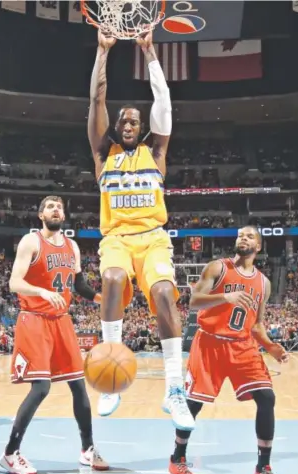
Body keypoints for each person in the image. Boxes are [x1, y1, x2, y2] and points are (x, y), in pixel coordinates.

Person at [87, 29, 194, 431]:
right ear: (116, 127)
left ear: (142, 126)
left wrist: (149, 51)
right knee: (113, 277)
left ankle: (173, 389)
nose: (129, 122)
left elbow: (163, 100)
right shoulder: (104, 154)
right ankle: (112, 373)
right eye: (123, 119)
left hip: (153, 239)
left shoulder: (157, 151)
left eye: (135, 119)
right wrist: (102, 52)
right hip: (115, 238)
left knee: (165, 293)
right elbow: (97, 98)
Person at [169, 226, 289, 474]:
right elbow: (194, 302)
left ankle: (263, 468)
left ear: (258, 246)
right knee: (193, 404)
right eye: (240, 235)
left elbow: (256, 324)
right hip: (210, 342)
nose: (242, 238)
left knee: (267, 397)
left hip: (243, 345)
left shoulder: (263, 284)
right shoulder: (217, 268)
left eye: (249, 236)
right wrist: (226, 296)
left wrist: (271, 347)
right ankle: (177, 458)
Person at [0, 195, 109, 474]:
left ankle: (87, 449)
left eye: (59, 206)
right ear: (41, 215)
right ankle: (10, 453)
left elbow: (79, 284)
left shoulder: (72, 246)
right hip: (34, 319)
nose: (56, 210)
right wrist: (42, 291)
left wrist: (99, 297)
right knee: (41, 388)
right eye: (50, 206)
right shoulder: (31, 241)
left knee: (78, 385)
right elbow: (14, 282)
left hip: (61, 321)